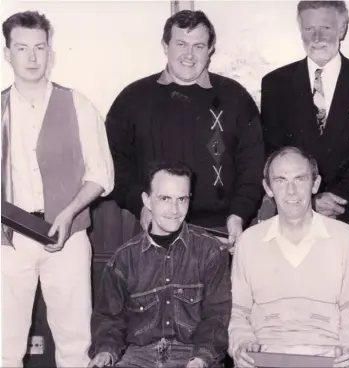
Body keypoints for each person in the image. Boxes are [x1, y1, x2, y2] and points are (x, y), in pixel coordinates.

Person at [1, 11, 114, 367]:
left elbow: (101, 174)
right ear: (7, 53)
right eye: (22, 48)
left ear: (50, 50)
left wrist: (68, 214)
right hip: (8, 242)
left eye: (40, 47)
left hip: (68, 236)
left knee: (75, 342)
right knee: (4, 343)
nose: (32, 57)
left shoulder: (77, 103)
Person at [106, 10, 264, 248]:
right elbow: (113, 164)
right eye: (181, 44)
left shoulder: (236, 98)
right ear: (165, 45)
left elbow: (253, 165)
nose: (189, 55)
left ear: (210, 49)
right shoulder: (132, 99)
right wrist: (140, 207)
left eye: (198, 46)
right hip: (152, 229)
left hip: (219, 231)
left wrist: (239, 214)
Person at [228, 146, 349, 368]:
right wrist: (242, 343)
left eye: (300, 179)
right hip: (263, 357)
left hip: (328, 358)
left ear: (315, 183)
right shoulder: (250, 241)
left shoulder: (344, 238)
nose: (291, 191)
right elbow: (236, 311)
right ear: (268, 188)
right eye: (280, 180)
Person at [260, 1, 349, 257]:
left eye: (326, 28)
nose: (317, 38)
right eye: (309, 29)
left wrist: (335, 198)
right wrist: (310, 200)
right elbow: (273, 151)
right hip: (293, 216)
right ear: (300, 29)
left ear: (342, 29)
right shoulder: (276, 84)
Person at [88, 161, 231, 368]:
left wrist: (202, 359)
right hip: (138, 356)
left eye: (182, 199)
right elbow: (109, 319)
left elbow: (216, 317)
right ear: (147, 201)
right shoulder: (123, 259)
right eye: (165, 198)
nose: (174, 210)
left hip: (193, 355)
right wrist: (105, 352)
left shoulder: (211, 251)